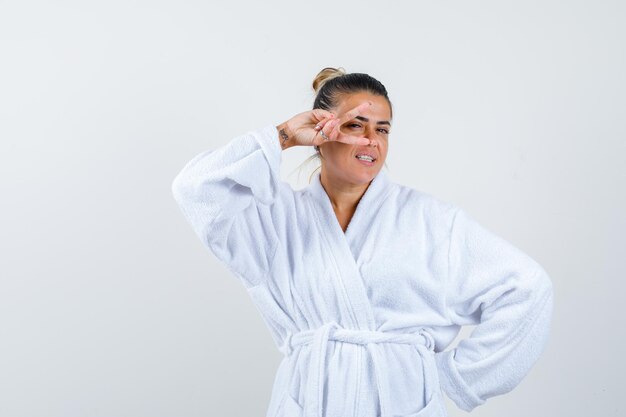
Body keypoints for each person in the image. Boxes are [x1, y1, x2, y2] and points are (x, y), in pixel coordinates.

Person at [171, 67, 554, 417]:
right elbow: (195, 190)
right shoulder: (274, 219)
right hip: (308, 401)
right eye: (356, 126)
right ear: (320, 135)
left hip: (403, 401)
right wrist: (284, 135)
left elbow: (527, 289)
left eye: (382, 129)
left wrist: (457, 378)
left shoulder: (432, 221)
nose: (372, 140)